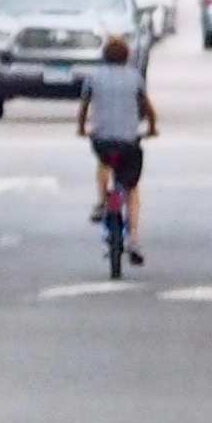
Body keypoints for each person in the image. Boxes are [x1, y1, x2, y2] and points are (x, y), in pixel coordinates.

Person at [72, 32, 158, 263]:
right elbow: (147, 108)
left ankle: (102, 202)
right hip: (129, 141)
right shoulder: (135, 77)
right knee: (131, 188)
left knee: (103, 162)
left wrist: (82, 128)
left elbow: (84, 106)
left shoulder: (93, 77)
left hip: (102, 139)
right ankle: (134, 238)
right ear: (126, 56)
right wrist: (152, 128)